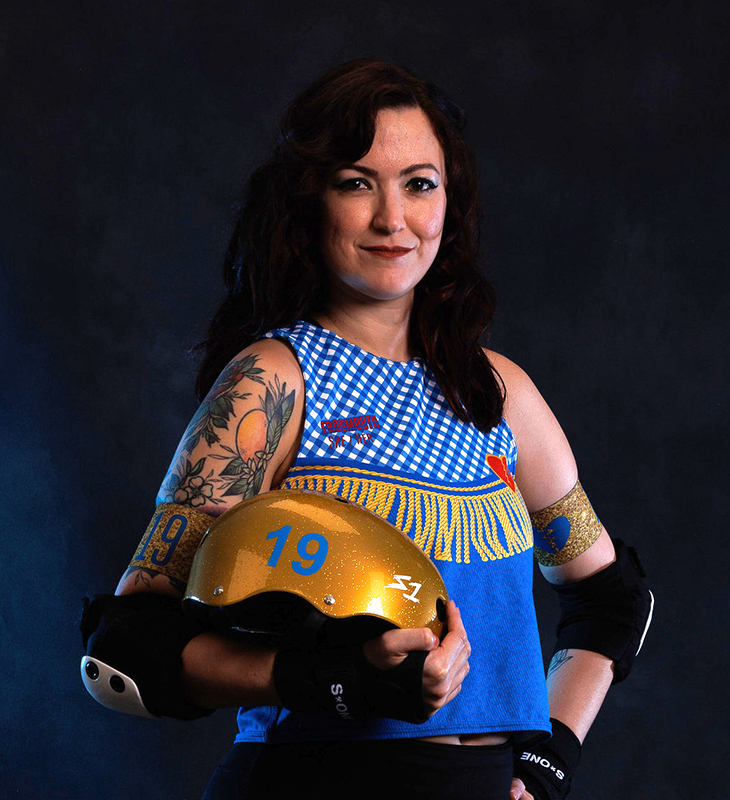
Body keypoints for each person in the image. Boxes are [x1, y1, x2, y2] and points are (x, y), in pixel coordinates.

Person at [82, 59, 652, 800]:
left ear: (450, 202)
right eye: (357, 183)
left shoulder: (496, 392)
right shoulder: (273, 382)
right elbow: (128, 646)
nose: (393, 219)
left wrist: (549, 761)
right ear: (309, 201)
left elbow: (611, 601)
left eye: (419, 184)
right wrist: (327, 678)